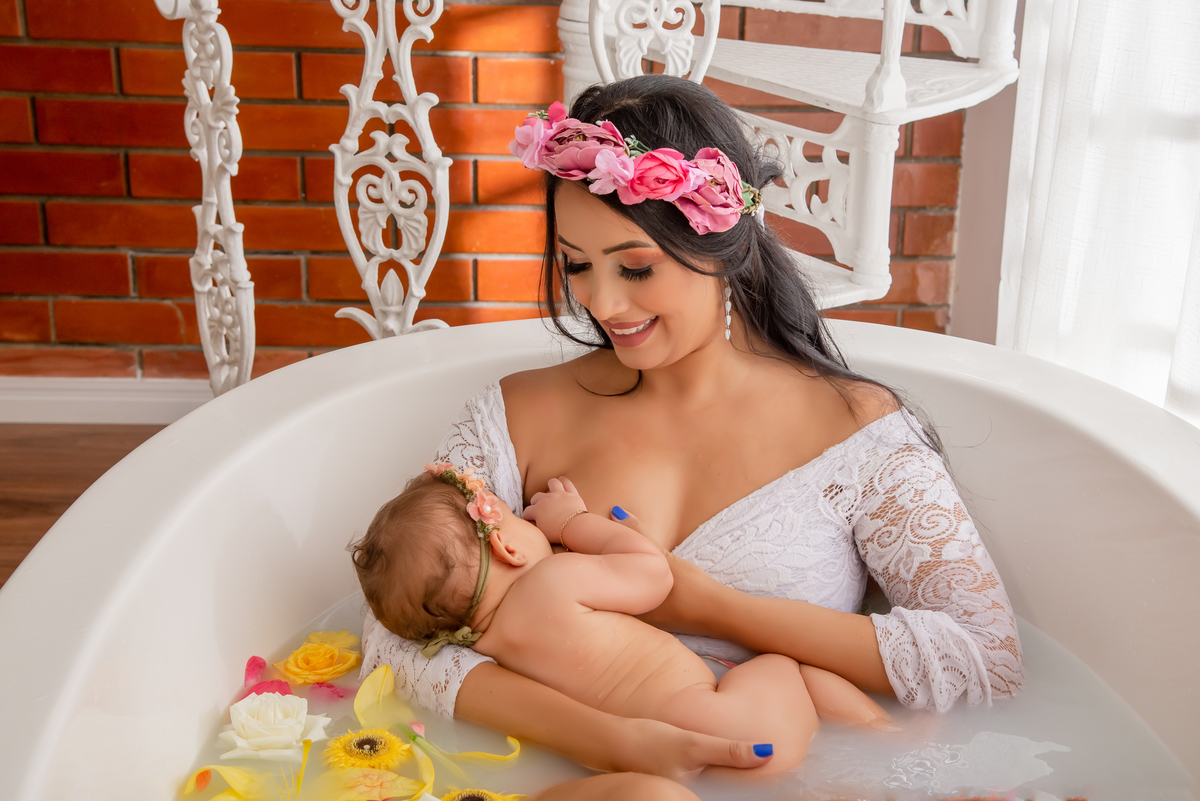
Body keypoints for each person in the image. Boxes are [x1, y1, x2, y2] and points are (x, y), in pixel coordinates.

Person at [357, 73, 1024, 780]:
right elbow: (393, 638)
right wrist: (608, 741)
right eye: (576, 264)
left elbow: (986, 657)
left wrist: (717, 608)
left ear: (724, 249)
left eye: (636, 268)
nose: (602, 303)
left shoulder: (855, 432)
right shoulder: (515, 414)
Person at [352, 465, 896, 777]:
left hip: (672, 757)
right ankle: (887, 732)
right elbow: (652, 575)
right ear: (508, 546)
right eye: (515, 515)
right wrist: (578, 523)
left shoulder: (491, 648)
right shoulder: (554, 580)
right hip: (732, 724)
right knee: (787, 664)